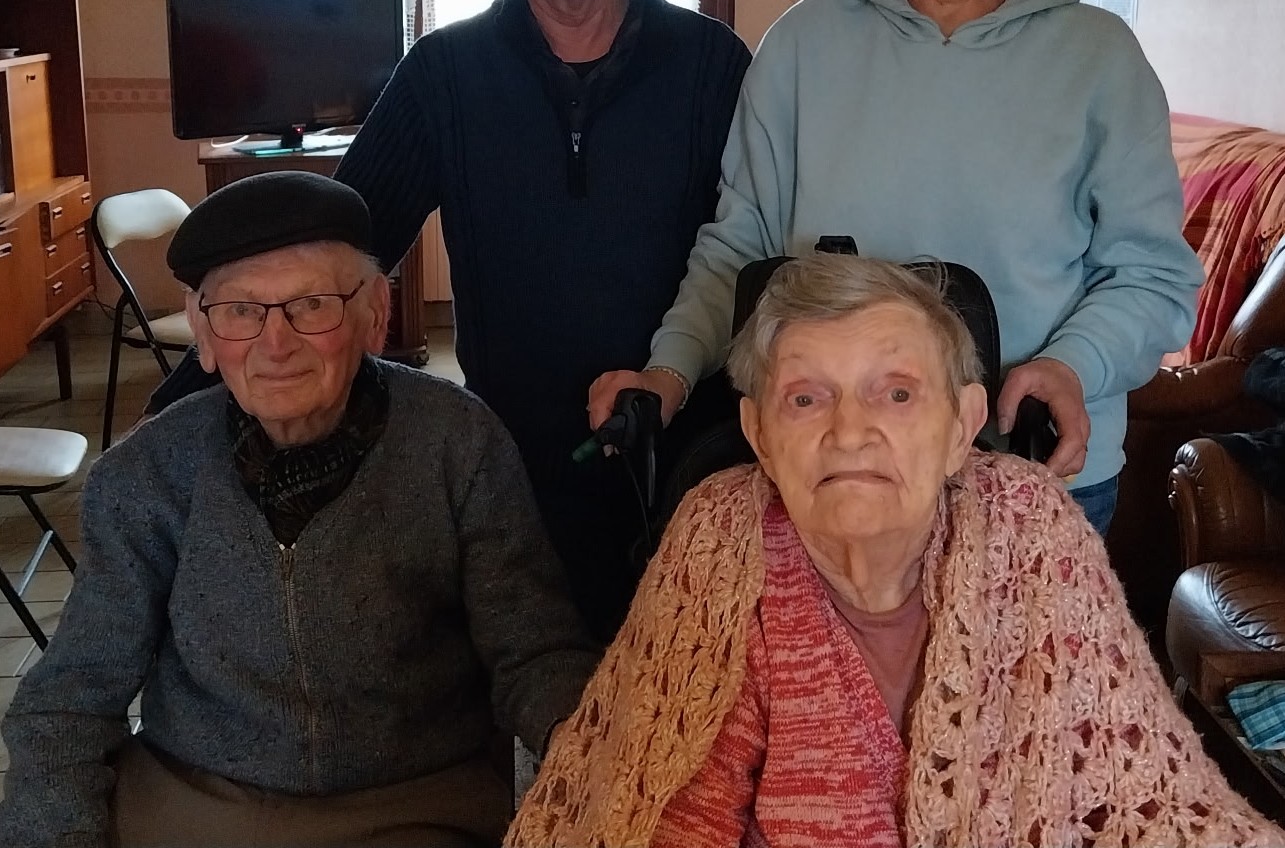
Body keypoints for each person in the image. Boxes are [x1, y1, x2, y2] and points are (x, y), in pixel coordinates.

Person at [590, 0, 1203, 535]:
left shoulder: (1101, 59)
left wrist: (1068, 364)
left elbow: (1152, 278)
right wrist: (667, 371)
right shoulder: (804, 43)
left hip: (1029, 469)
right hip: (833, 466)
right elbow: (738, 248)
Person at [512, 254, 1284, 848]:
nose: (849, 432)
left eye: (897, 392)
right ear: (760, 438)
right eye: (806, 398)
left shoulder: (1027, 532)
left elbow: (1136, 789)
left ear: (961, 426)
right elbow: (670, 806)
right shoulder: (723, 541)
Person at [0, 171, 598, 848]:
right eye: (241, 310)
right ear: (203, 331)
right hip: (193, 803)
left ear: (375, 311)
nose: (275, 344)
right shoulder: (148, 473)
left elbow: (534, 650)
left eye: (311, 304)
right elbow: (71, 697)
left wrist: (598, 757)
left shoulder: (457, 441)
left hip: (413, 804)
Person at [334, 0, 750, 639]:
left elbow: (757, 252)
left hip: (685, 462)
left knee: (678, 714)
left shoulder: (714, 64)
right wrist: (223, 290)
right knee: (538, 711)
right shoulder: (445, 74)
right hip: (512, 464)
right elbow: (345, 230)